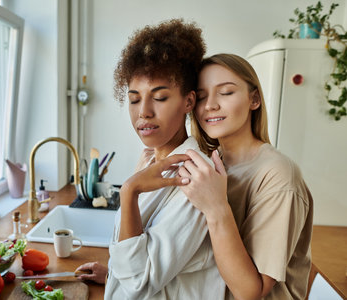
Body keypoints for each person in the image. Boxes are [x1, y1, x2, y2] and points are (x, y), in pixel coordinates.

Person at [76, 19, 226, 299]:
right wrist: (112, 273)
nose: (143, 112)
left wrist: (130, 191)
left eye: (159, 97)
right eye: (134, 99)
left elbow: (139, 282)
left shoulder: (196, 177)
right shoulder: (148, 159)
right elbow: (138, 248)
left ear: (189, 102)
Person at [178, 53, 313, 299]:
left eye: (226, 92)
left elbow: (250, 292)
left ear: (254, 99)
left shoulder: (278, 175)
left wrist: (216, 208)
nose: (210, 105)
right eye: (202, 96)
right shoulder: (210, 164)